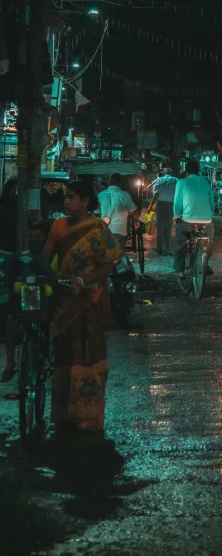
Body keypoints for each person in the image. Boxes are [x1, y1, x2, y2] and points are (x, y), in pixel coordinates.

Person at [42, 180, 122, 432]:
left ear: (85, 201)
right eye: (66, 197)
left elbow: (109, 265)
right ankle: (65, 413)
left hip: (91, 300)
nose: (66, 201)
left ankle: (89, 414)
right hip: (64, 299)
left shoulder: (97, 228)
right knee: (65, 355)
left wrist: (82, 280)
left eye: (72, 196)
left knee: (90, 354)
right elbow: (46, 259)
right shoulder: (58, 226)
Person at [1, 222, 56, 383]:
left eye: (38, 238)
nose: (34, 241)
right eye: (31, 237)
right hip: (29, 300)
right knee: (11, 322)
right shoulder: (24, 258)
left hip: (49, 301)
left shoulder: (54, 257)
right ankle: (10, 364)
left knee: (53, 326)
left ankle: (50, 361)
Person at [172, 160, 215, 280]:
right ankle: (204, 262)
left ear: (186, 172)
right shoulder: (206, 182)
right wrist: (210, 214)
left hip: (187, 220)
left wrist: (176, 216)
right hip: (206, 220)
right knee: (209, 242)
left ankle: (179, 270)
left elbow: (177, 203)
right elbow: (212, 202)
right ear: (198, 171)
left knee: (180, 243)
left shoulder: (182, 182)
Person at [97, 173, 141, 251]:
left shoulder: (101, 195)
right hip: (119, 229)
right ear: (120, 183)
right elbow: (132, 211)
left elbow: (96, 212)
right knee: (118, 254)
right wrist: (137, 220)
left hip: (105, 228)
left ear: (109, 182)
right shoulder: (124, 195)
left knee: (107, 253)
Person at [149, 167, 178, 255]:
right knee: (168, 227)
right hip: (172, 205)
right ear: (171, 173)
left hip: (160, 204)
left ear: (164, 173)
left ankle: (159, 248)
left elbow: (156, 194)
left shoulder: (160, 180)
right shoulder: (176, 180)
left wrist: (151, 205)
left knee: (160, 227)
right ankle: (166, 249)